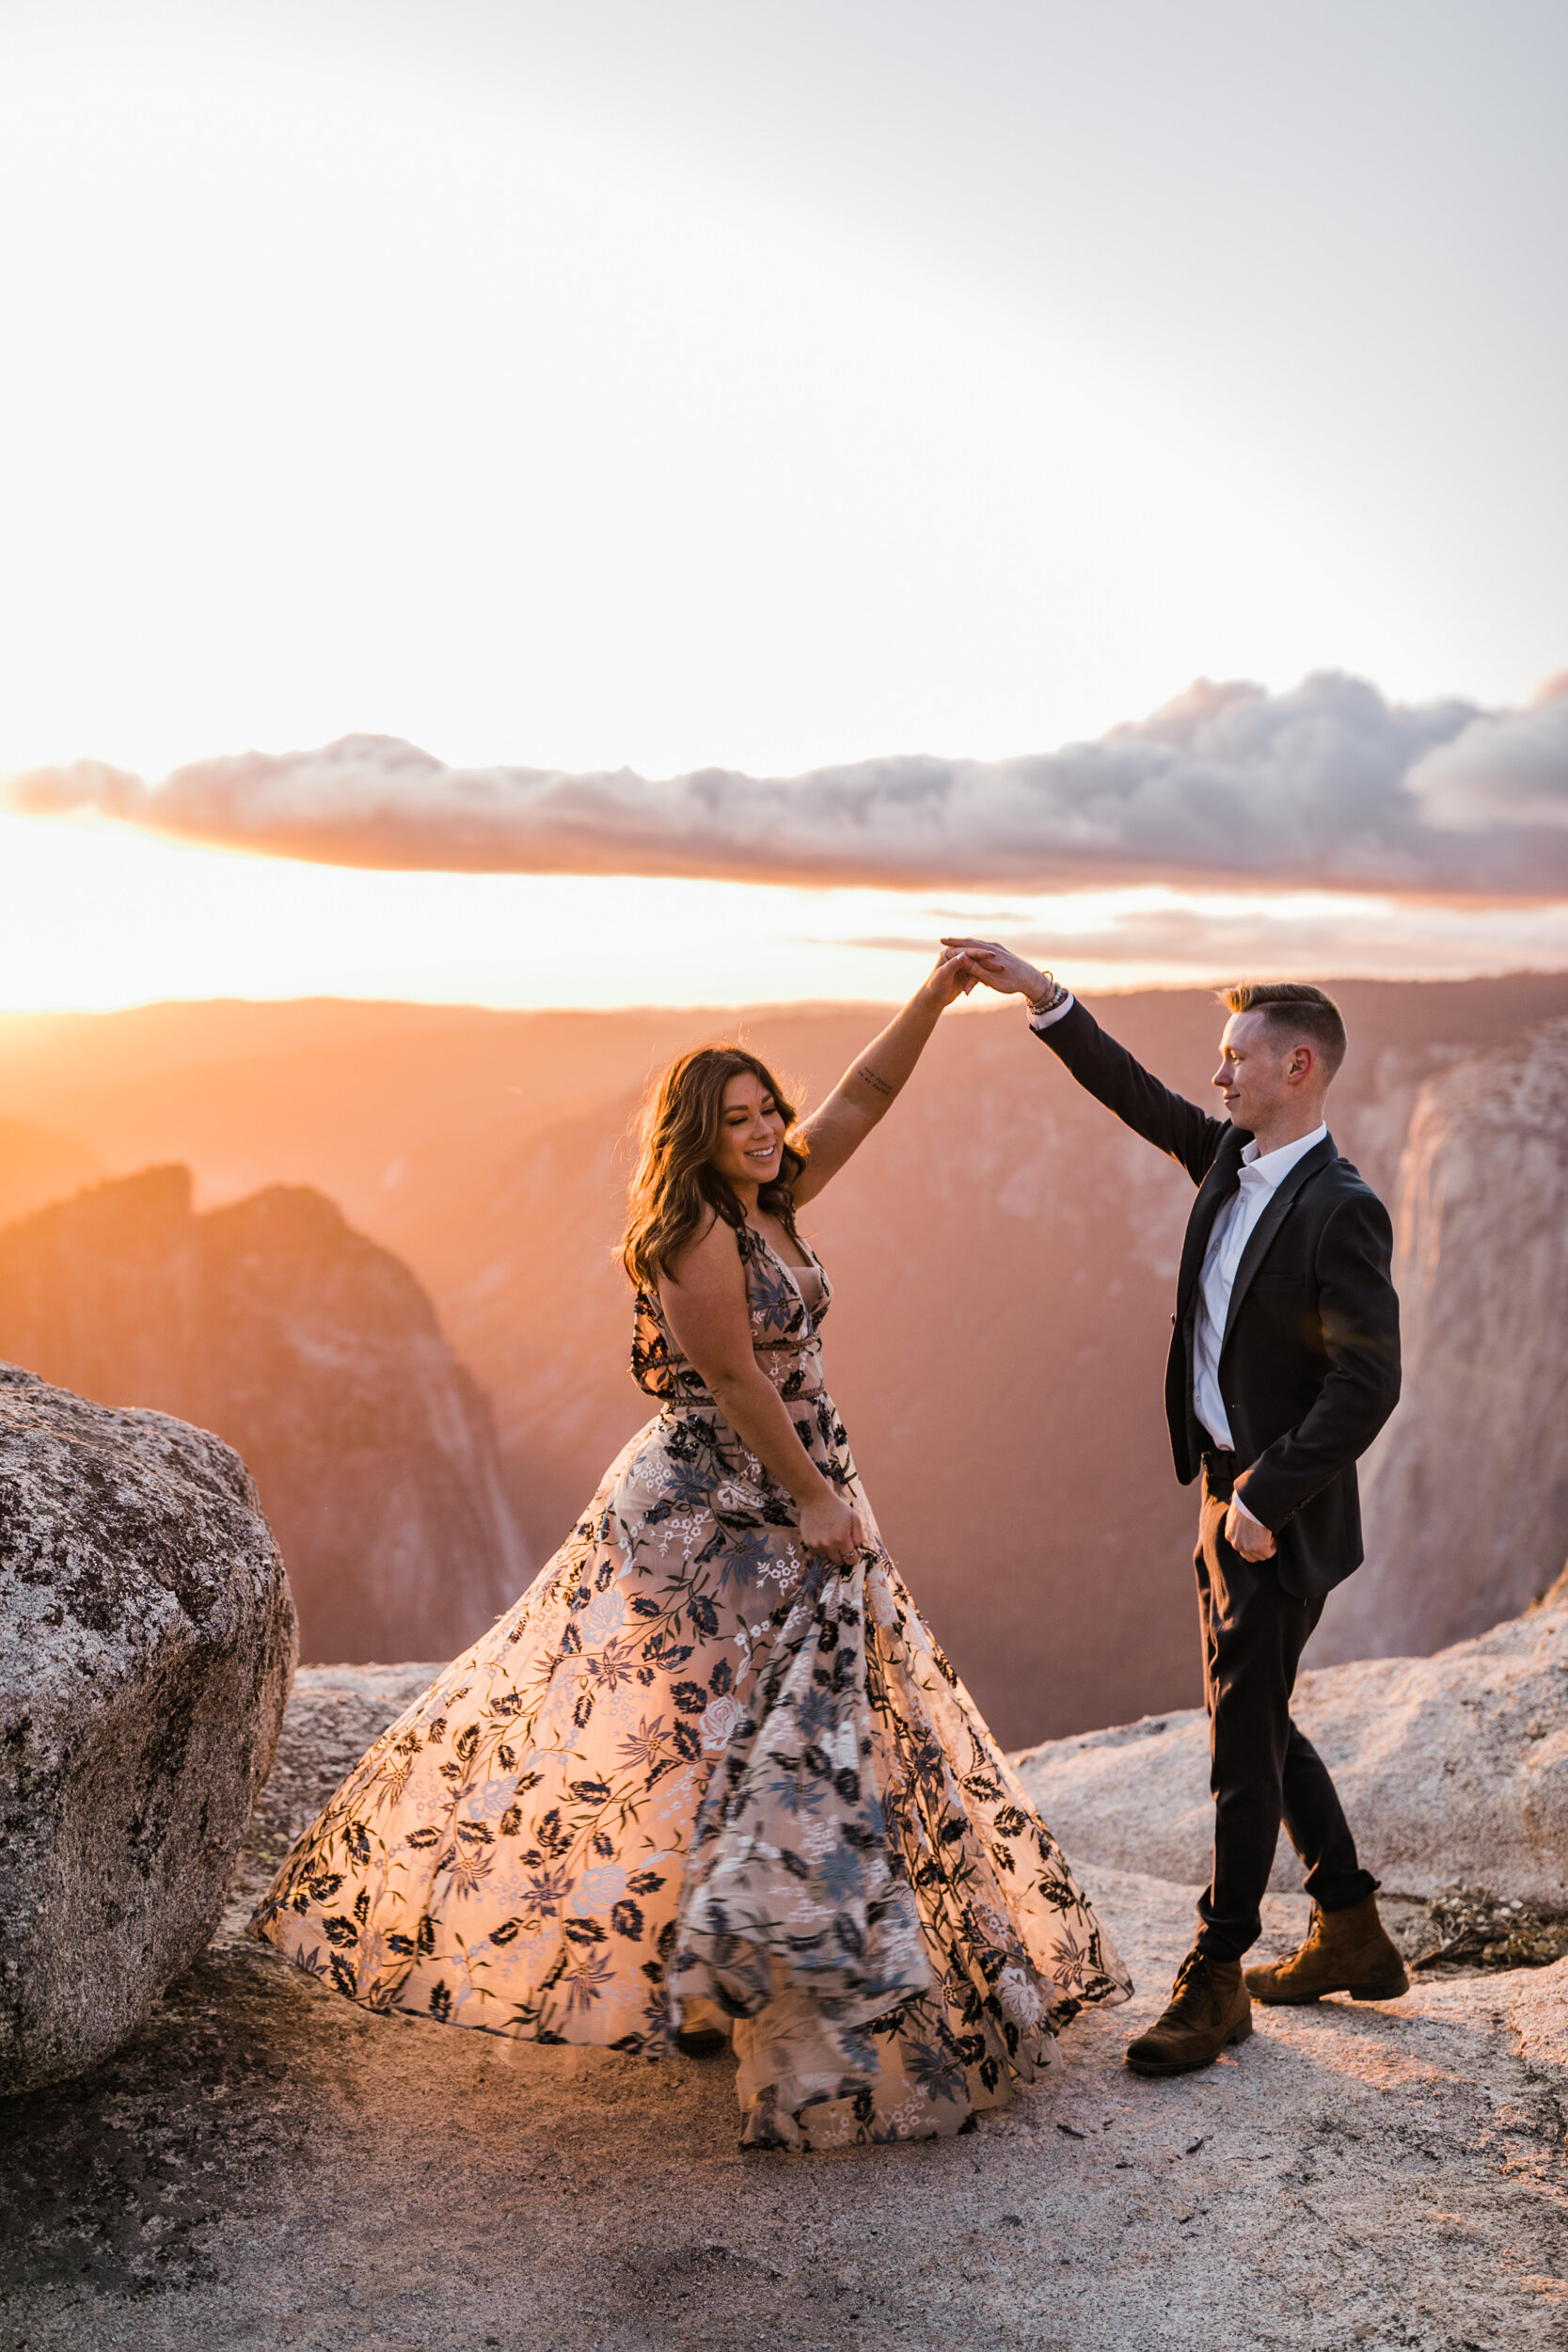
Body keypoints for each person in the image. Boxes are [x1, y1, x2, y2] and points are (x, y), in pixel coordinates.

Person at [252, 950, 1131, 2150]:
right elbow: (729, 1377)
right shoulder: (689, 1234)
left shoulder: (769, 1196)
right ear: (694, 1135)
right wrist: (819, 1502)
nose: (768, 1131)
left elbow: (864, 1098)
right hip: (723, 1509)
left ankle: (742, 1969)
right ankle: (767, 1981)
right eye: (739, 1120)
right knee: (761, 1724)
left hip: (792, 1493)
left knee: (771, 1727)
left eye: (771, 1108)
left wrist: (929, 999)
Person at [944, 942, 1404, 2077]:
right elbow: (1133, 1093)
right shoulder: (1227, 1164)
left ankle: (1215, 1975)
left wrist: (1263, 1495)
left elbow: (1367, 1381)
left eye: (1235, 1059)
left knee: (1239, 1737)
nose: (1217, 1079)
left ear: (1298, 1065)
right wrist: (1043, 998)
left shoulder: (1340, 1208)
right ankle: (1347, 1922)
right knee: (1255, 1713)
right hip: (1219, 1493)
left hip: (1269, 1509)